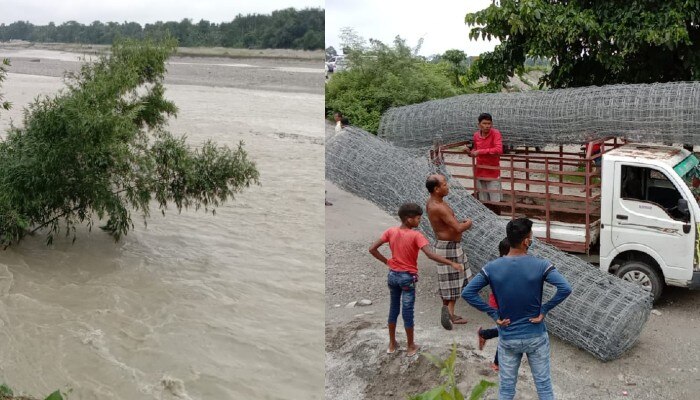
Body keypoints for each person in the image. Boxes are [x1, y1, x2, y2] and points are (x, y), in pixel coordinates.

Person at [462, 218, 572, 400]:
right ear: (526, 241)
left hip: (508, 336)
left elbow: (468, 293)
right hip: (535, 335)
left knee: (506, 390)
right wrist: (544, 309)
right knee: (544, 387)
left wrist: (493, 313)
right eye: (531, 236)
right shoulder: (541, 265)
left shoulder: (491, 268)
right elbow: (565, 288)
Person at [369, 203, 465, 356]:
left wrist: (388, 262)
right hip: (407, 278)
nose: (420, 221)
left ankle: (392, 344)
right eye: (418, 218)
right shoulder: (416, 236)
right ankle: (410, 346)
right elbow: (430, 254)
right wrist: (451, 262)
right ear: (409, 219)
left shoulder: (391, 231)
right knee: (408, 311)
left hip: (393, 275)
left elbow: (372, 249)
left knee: (393, 308)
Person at [425, 174, 473, 330]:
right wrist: (468, 223)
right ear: (436, 189)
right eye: (445, 184)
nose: (448, 187)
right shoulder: (437, 207)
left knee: (455, 281)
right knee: (451, 282)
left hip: (451, 246)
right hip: (448, 248)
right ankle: (448, 313)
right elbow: (458, 228)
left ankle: (450, 312)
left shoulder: (436, 202)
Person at [477, 237, 510, 372]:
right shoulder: (501, 268)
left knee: (507, 328)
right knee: (505, 332)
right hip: (499, 304)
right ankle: (497, 363)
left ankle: (484, 334)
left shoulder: (498, 265)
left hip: (502, 303)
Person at [470, 113, 503, 204]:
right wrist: (470, 152)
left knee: (495, 200)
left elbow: (499, 149)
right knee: (483, 199)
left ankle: (496, 217)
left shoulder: (496, 133)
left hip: (492, 171)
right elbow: (475, 149)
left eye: (489, 123)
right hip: (480, 171)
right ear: (479, 124)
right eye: (484, 123)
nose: (487, 126)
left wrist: (480, 152)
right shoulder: (476, 135)